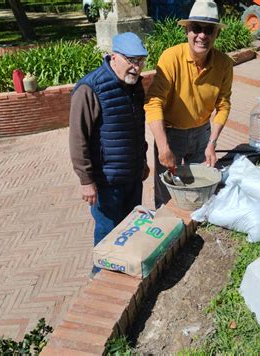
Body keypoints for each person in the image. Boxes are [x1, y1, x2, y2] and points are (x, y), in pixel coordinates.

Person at [69, 32, 150, 268]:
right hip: (106, 183)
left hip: (132, 176)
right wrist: (86, 180)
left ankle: (124, 272)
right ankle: (99, 277)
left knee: (130, 231)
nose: (136, 67)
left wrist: (142, 161)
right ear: (114, 57)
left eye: (141, 61)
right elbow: (78, 138)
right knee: (107, 236)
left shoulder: (136, 86)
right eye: (131, 60)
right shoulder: (90, 88)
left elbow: (137, 128)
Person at [144, 0, 234, 208]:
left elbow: (223, 104)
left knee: (199, 189)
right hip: (171, 134)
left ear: (216, 34)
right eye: (196, 28)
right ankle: (166, 225)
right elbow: (153, 102)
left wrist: (212, 143)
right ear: (187, 30)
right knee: (167, 190)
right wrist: (163, 146)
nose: (202, 35)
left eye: (209, 30)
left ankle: (194, 226)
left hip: (202, 133)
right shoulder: (171, 57)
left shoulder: (224, 64)